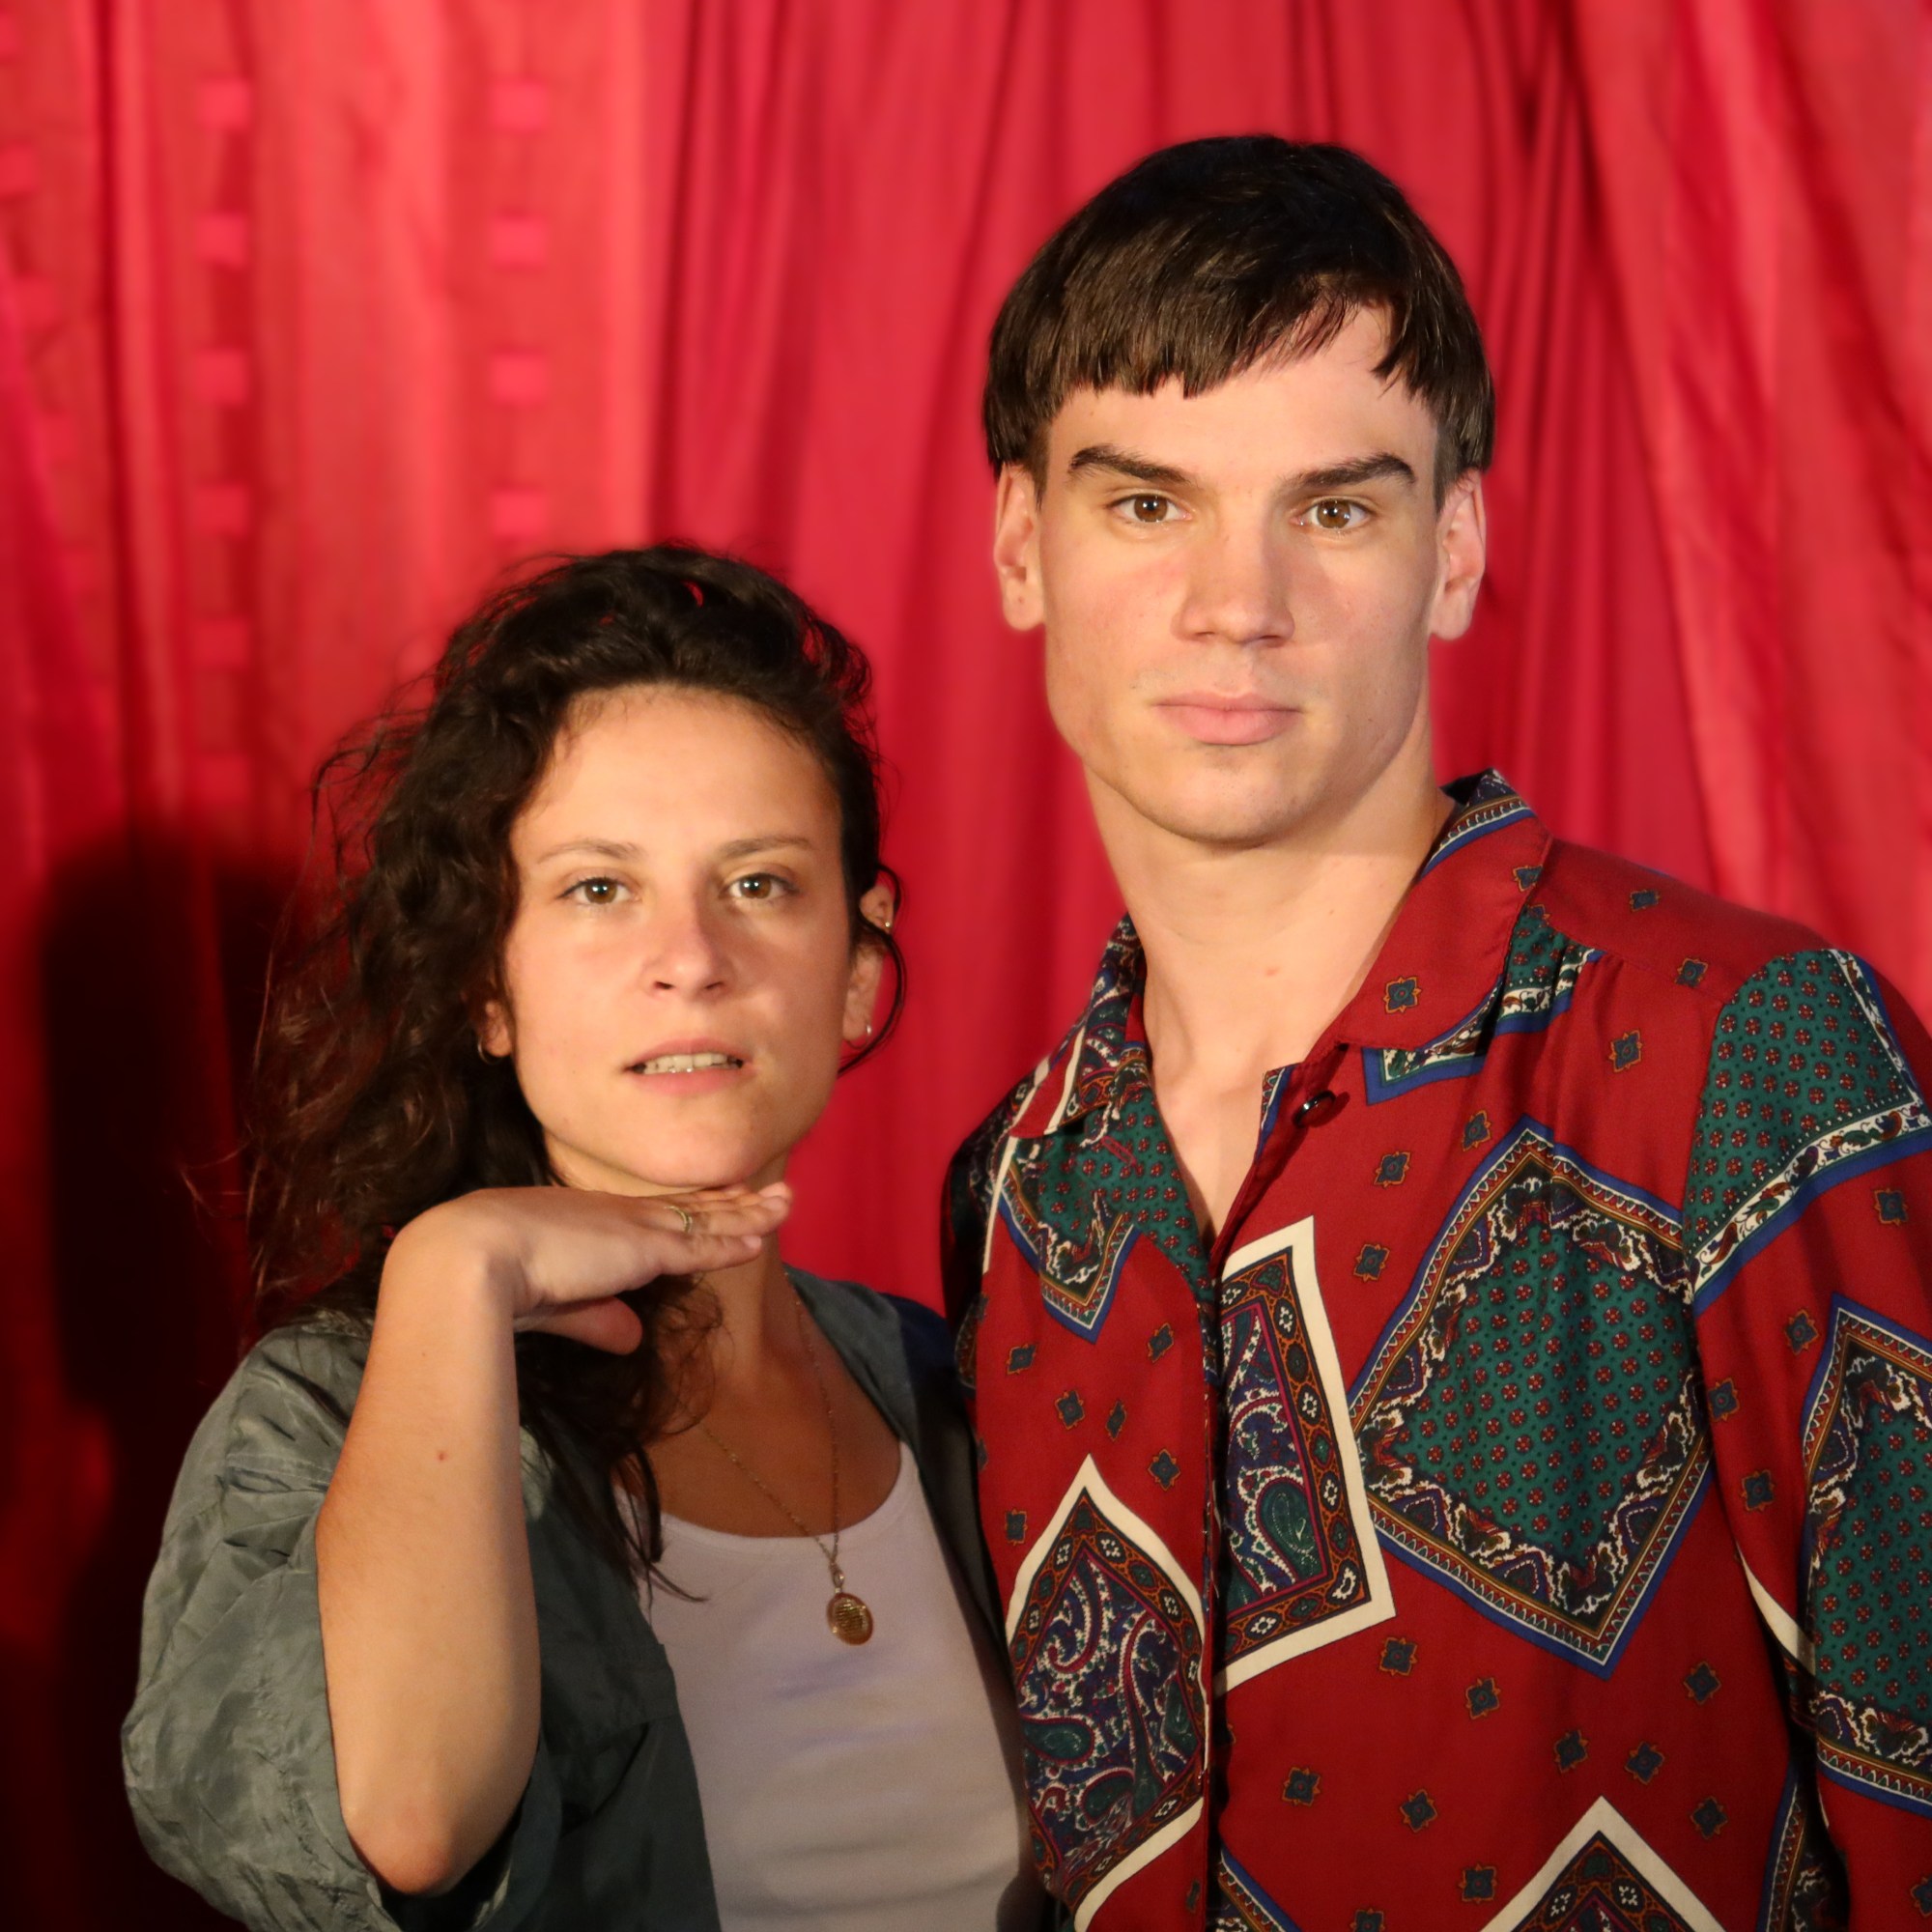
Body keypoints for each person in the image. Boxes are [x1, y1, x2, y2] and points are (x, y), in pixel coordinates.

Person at [944, 137, 1932, 1929]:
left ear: (1453, 553)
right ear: (1024, 545)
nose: (1237, 603)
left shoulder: (1740, 1055)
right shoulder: (1017, 1193)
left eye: (1335, 510)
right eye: (1147, 505)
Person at [124, 548, 1037, 1931]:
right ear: (487, 988)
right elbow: (412, 1825)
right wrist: (454, 1270)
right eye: (599, 890)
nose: (692, 960)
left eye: (761, 884)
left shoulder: (951, 1382)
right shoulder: (321, 1410)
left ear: (856, 970)